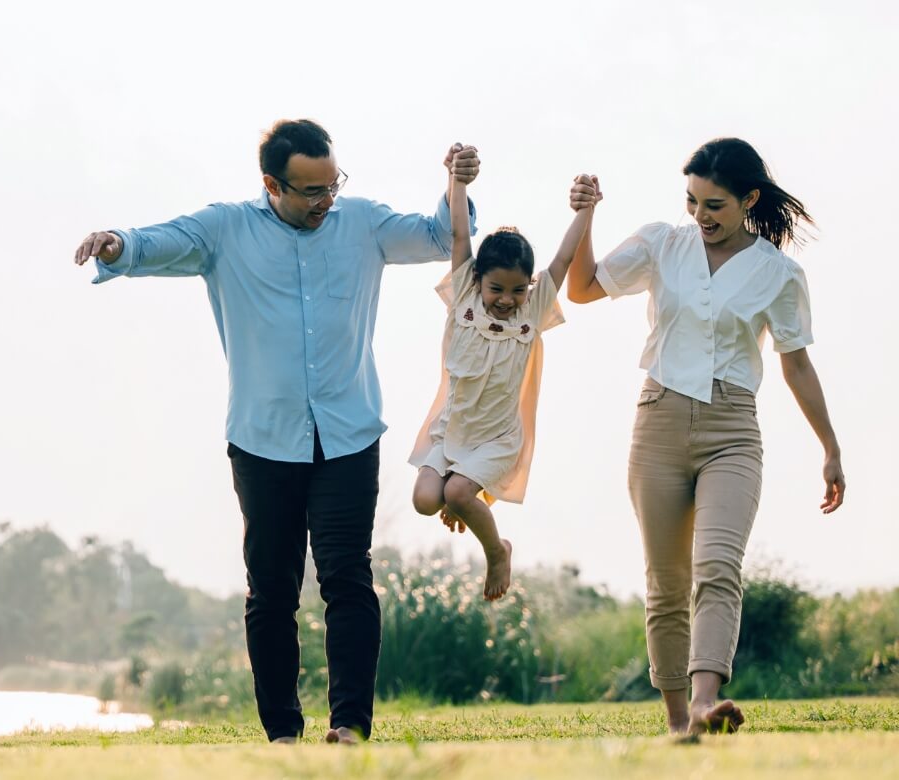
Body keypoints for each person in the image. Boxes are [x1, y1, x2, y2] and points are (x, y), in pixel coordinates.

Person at [72, 119, 479, 744]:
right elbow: (159, 240)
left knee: (348, 577)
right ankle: (282, 734)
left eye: (332, 185)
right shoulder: (225, 229)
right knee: (271, 592)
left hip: (348, 432)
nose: (327, 201)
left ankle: (349, 727)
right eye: (312, 191)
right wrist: (115, 243)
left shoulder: (363, 223)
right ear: (272, 184)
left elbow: (438, 235)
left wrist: (455, 185)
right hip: (263, 440)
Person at [565, 138, 845, 737]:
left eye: (714, 204)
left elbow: (796, 365)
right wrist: (586, 214)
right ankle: (677, 722)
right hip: (658, 421)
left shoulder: (779, 273)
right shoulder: (662, 243)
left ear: (748, 199)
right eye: (692, 201)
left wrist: (830, 447)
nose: (700, 216)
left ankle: (703, 702)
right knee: (666, 582)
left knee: (717, 566)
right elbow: (583, 288)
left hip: (732, 431)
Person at [409, 158, 599, 601]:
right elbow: (460, 235)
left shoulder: (532, 311)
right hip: (451, 431)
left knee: (456, 492)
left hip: (496, 439)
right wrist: (456, 182)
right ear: (479, 281)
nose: (507, 300)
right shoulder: (465, 297)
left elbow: (565, 257)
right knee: (424, 500)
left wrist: (585, 211)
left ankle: (497, 551)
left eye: (518, 290)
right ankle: (466, 497)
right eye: (497, 289)